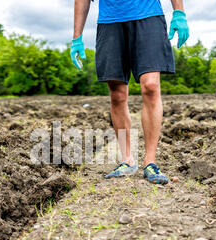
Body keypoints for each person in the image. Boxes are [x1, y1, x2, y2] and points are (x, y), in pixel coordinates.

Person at [70, 0, 189, 184]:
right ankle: (127, 160)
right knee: (117, 94)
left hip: (148, 16)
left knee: (150, 86)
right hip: (110, 21)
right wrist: (77, 37)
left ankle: (150, 162)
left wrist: (179, 13)